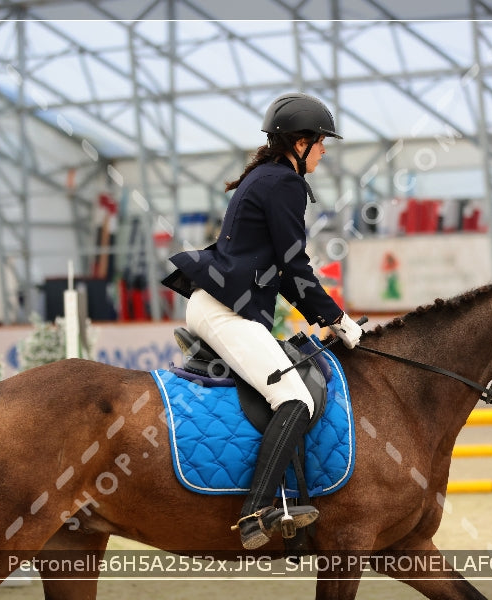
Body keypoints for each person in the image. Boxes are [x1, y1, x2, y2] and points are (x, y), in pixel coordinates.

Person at [161, 92, 363, 550]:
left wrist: (331, 318)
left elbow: (287, 275)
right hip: (225, 310)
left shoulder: (270, 178)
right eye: (321, 142)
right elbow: (296, 266)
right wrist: (338, 318)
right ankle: (256, 512)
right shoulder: (284, 184)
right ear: (300, 143)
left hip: (219, 303)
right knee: (295, 398)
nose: (325, 151)